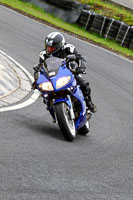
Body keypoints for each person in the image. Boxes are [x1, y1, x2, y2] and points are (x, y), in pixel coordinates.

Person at [32, 32, 96, 113]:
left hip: (69, 73)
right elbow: (42, 68)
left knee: (84, 84)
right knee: (44, 94)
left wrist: (81, 67)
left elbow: (80, 57)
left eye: (52, 48)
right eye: (47, 47)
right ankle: (52, 108)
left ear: (59, 45)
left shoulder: (68, 48)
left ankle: (89, 103)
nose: (49, 50)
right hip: (52, 78)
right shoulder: (43, 54)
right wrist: (37, 79)